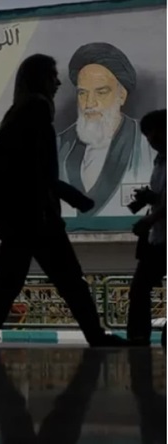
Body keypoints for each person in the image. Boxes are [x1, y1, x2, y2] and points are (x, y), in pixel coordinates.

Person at [0, 54, 127, 348]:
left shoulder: (18, 111)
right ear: (39, 78)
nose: (57, 83)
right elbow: (37, 170)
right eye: (52, 76)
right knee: (69, 280)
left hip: (20, 216)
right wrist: (71, 196)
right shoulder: (37, 109)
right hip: (35, 215)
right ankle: (95, 336)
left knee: (9, 281)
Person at [57, 43, 154, 217]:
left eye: (101, 92)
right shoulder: (57, 146)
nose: (89, 103)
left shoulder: (150, 144)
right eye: (82, 93)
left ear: (121, 95)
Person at [126, 109, 166, 346]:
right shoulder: (159, 162)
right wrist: (150, 197)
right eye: (148, 134)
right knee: (139, 289)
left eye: (155, 132)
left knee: (140, 288)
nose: (151, 139)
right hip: (158, 239)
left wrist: (149, 220)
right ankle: (138, 338)